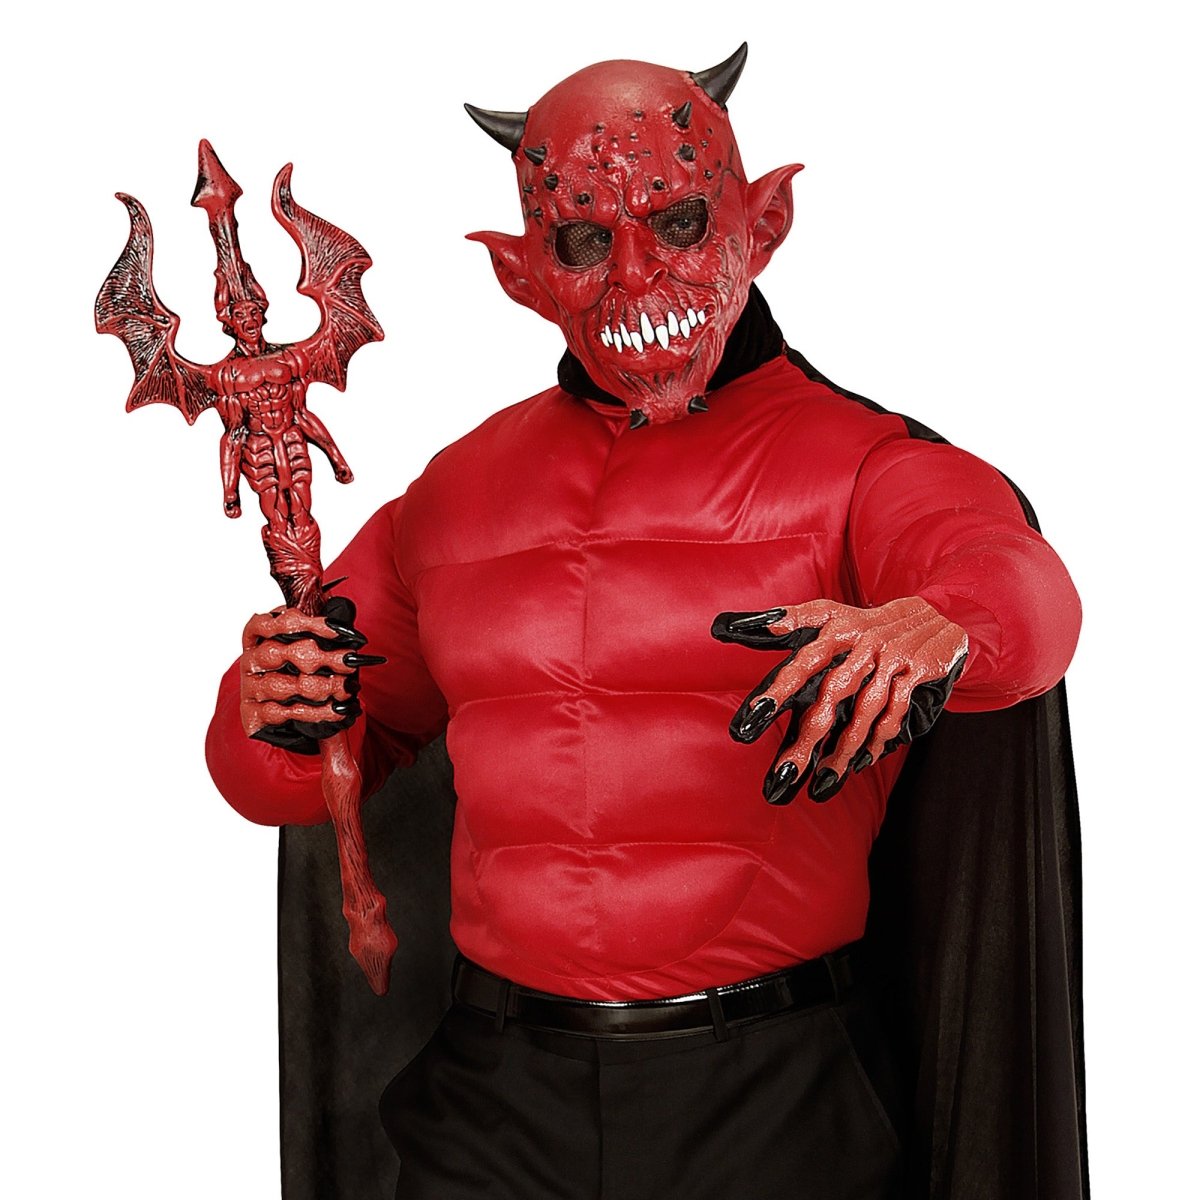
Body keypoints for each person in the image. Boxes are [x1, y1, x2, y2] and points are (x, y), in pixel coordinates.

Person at [206, 45, 1087, 1200]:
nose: (633, 272)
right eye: (583, 240)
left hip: (771, 1094)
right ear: (522, 272)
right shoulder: (453, 497)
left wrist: (940, 624)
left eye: (675, 223)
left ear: (763, 223)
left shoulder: (867, 466)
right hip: (491, 1099)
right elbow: (293, 780)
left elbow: (1020, 588)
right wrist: (268, 713)